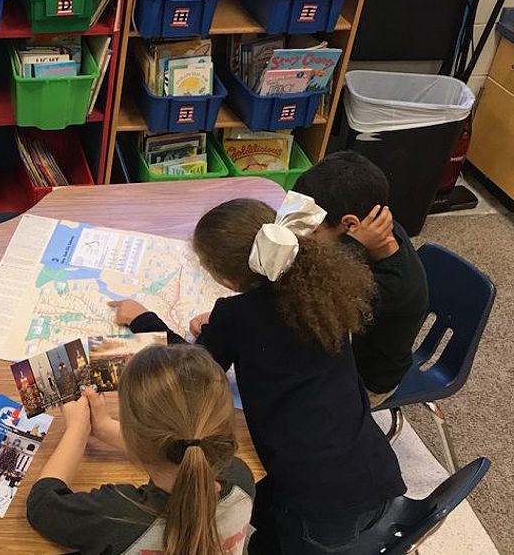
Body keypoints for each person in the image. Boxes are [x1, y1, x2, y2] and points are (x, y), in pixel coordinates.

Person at [112, 193, 406, 554]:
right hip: (373, 470)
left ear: (224, 275)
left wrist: (145, 320)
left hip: (315, 508)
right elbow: (274, 333)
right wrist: (221, 326)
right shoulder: (319, 292)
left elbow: (193, 368)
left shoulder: (236, 316)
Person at [26, 345, 256, 554]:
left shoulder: (118, 516)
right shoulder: (241, 479)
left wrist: (76, 429)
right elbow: (182, 447)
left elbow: (43, 505)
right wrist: (105, 428)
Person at [294, 150, 430, 406]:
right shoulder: (376, 226)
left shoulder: (391, 287)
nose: (304, 237)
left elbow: (308, 304)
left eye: (312, 230)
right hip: (347, 344)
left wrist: (349, 246)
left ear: (351, 226)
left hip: (366, 381)